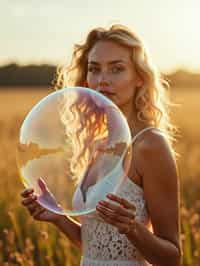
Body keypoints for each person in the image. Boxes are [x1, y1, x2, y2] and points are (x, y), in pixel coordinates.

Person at [21, 24, 182, 265]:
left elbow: (172, 258)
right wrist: (58, 217)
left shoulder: (150, 145)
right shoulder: (99, 145)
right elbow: (98, 248)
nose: (102, 80)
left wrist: (131, 227)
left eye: (117, 69)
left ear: (139, 77)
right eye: (94, 69)